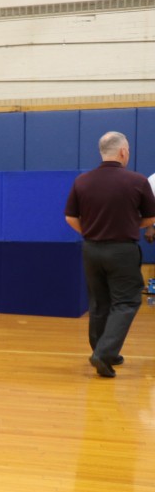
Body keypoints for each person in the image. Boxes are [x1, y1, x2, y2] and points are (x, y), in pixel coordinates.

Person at [64, 131, 155, 378]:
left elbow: (70, 217)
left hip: (91, 249)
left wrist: (93, 231)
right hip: (122, 250)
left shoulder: (82, 181)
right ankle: (103, 353)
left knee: (99, 302)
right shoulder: (137, 181)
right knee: (126, 302)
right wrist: (124, 225)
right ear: (123, 152)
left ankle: (104, 352)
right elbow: (150, 218)